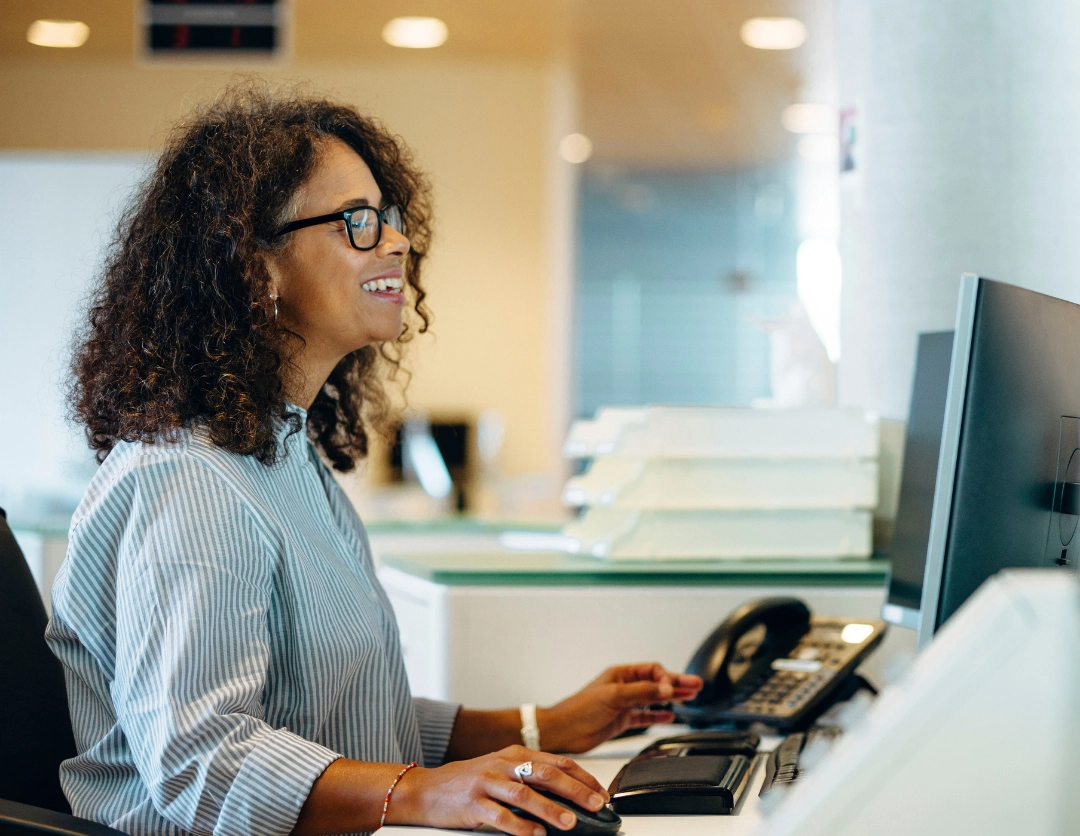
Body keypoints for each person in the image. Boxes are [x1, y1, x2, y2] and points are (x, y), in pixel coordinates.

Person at [47, 86, 702, 836]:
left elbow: (345, 720)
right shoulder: (189, 480)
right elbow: (204, 759)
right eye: (357, 222)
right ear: (254, 266)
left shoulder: (278, 453)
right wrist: (425, 793)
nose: (395, 242)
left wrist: (544, 725)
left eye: (388, 219)